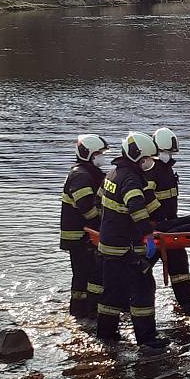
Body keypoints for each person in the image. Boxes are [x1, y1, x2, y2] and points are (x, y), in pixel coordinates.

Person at [97, 131, 167, 349]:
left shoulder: (112, 174)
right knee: (143, 290)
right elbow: (136, 209)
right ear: (138, 156)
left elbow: (100, 200)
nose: (149, 163)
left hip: (109, 244)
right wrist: (148, 236)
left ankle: (106, 335)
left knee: (112, 292)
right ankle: (147, 339)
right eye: (147, 158)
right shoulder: (131, 179)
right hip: (127, 248)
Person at [148, 127, 190, 307]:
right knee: (143, 264)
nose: (168, 155)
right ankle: (122, 299)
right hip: (155, 228)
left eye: (171, 152)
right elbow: (147, 198)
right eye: (165, 152)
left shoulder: (167, 169)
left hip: (170, 226)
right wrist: (161, 221)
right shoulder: (151, 170)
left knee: (179, 260)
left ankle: (186, 297)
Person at [60, 134, 109, 318]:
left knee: (85, 274)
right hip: (79, 237)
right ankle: (84, 310)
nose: (102, 156)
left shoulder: (88, 174)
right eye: (99, 153)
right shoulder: (80, 176)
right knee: (86, 274)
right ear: (88, 154)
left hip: (85, 236)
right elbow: (88, 211)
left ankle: (82, 310)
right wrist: (107, 224)